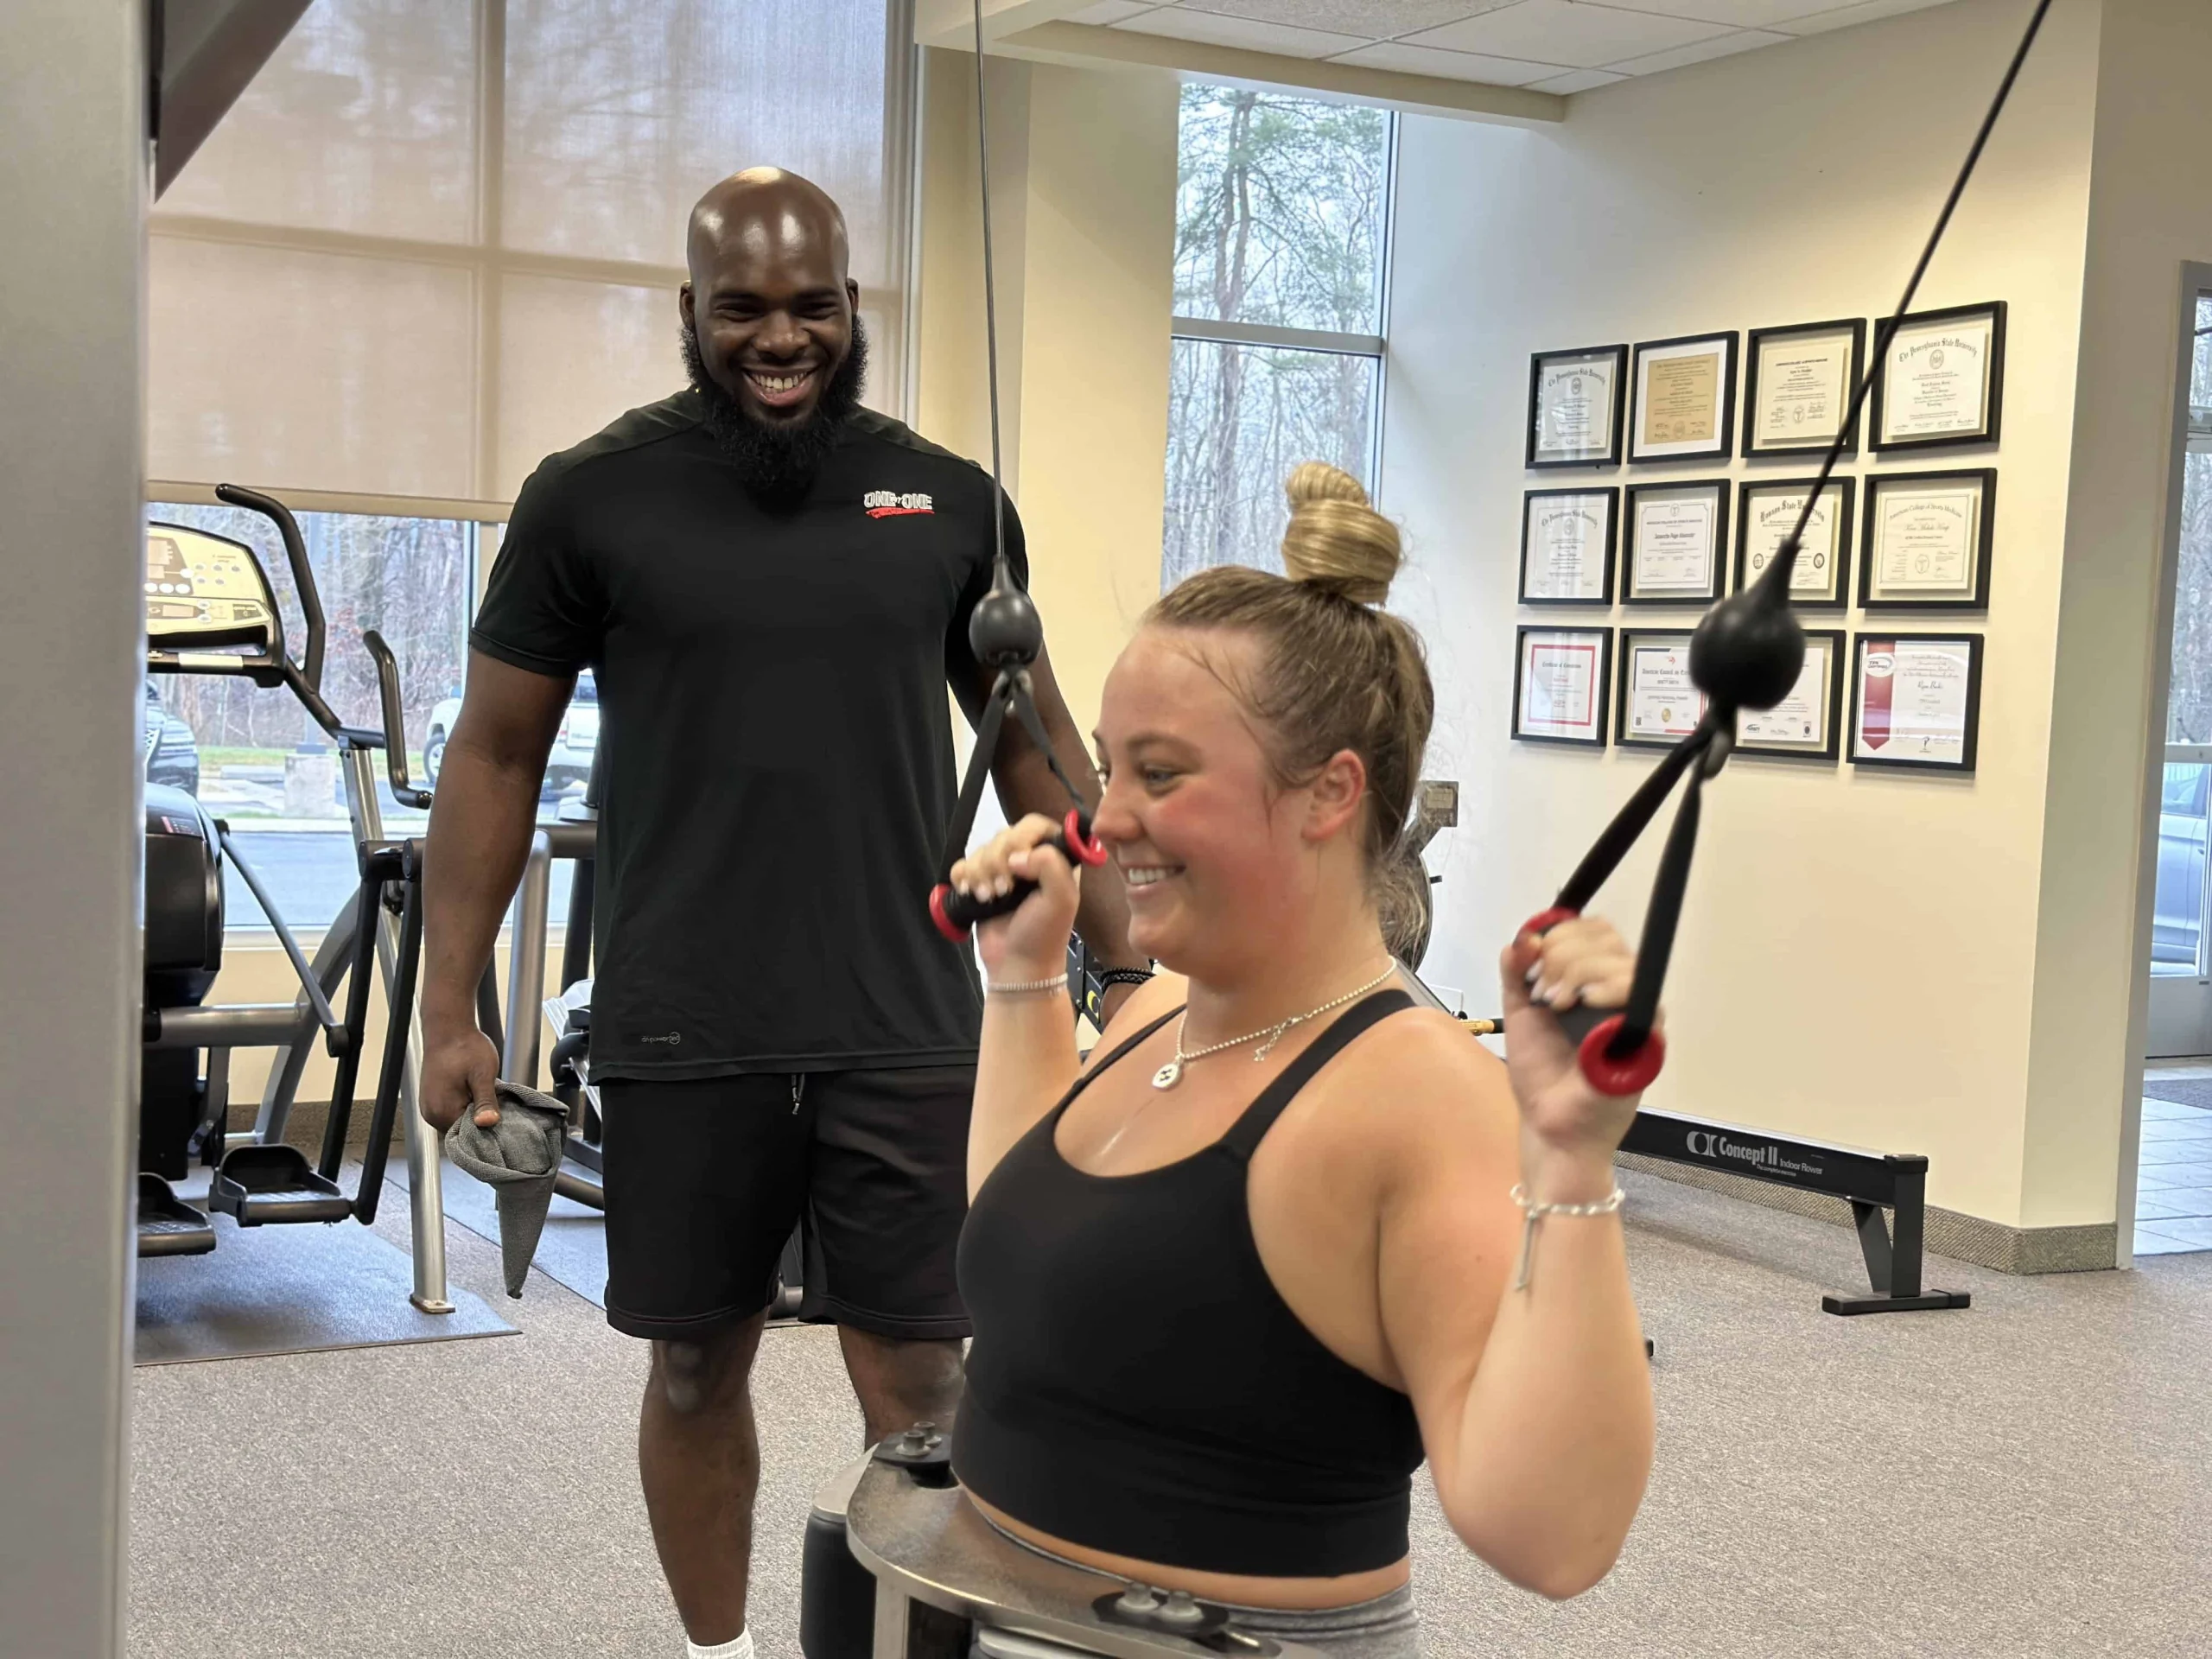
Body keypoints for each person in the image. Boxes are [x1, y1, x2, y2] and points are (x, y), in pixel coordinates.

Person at [416, 167, 1146, 1659]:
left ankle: (924, 1644)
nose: (781, 339)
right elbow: (493, 755)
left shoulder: (949, 500)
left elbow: (1034, 740)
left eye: (812, 307)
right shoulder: (591, 495)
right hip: (685, 1014)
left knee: (927, 1384)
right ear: (687, 310)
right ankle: (720, 1654)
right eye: (741, 308)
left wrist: (1132, 958)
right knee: (694, 1365)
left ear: (852, 306)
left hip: (906, 1012)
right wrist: (447, 1007)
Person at [946, 463, 1656, 1657]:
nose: (1104, 819)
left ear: (1330, 793)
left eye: (1160, 774)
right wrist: (1023, 981)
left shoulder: (1418, 1095)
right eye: (1110, 769)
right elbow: (1028, 1265)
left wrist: (1572, 1165)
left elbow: (1555, 1541)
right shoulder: (1153, 1013)